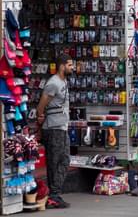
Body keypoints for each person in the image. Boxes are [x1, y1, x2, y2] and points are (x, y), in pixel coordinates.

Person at [36, 53, 74, 209]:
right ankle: (54, 195)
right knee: (58, 161)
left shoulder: (63, 81)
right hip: (53, 128)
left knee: (61, 161)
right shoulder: (53, 83)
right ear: (62, 66)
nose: (72, 68)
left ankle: (54, 194)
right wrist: (40, 118)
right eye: (70, 65)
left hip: (61, 127)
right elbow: (42, 104)